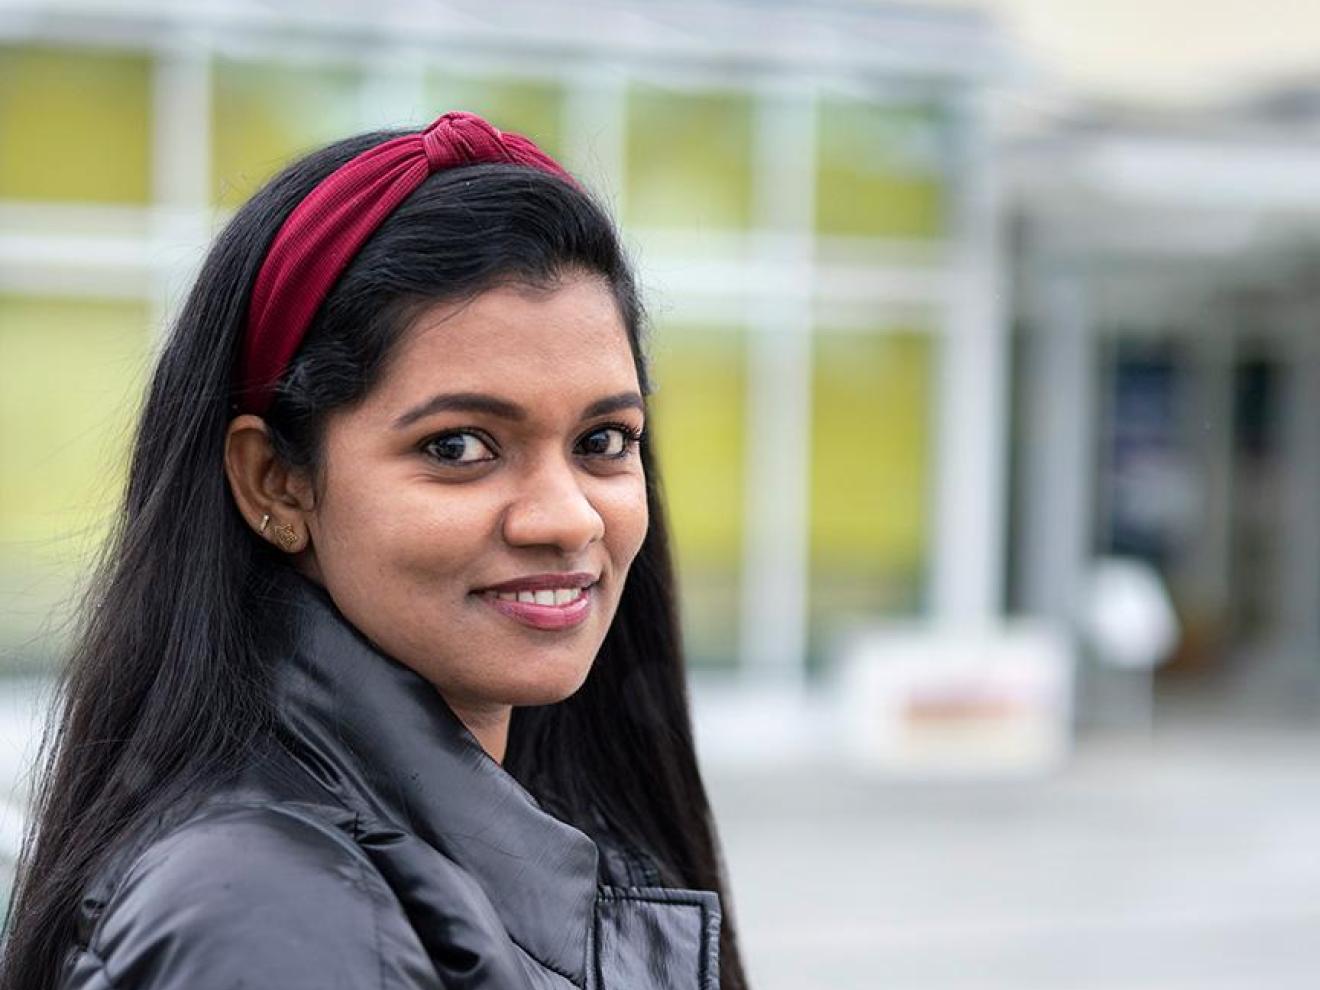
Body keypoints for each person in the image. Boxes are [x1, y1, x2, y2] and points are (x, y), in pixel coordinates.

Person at [0, 111, 749, 990]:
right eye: (459, 446)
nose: (568, 518)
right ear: (277, 482)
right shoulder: (276, 919)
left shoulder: (477, 848)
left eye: (603, 441)